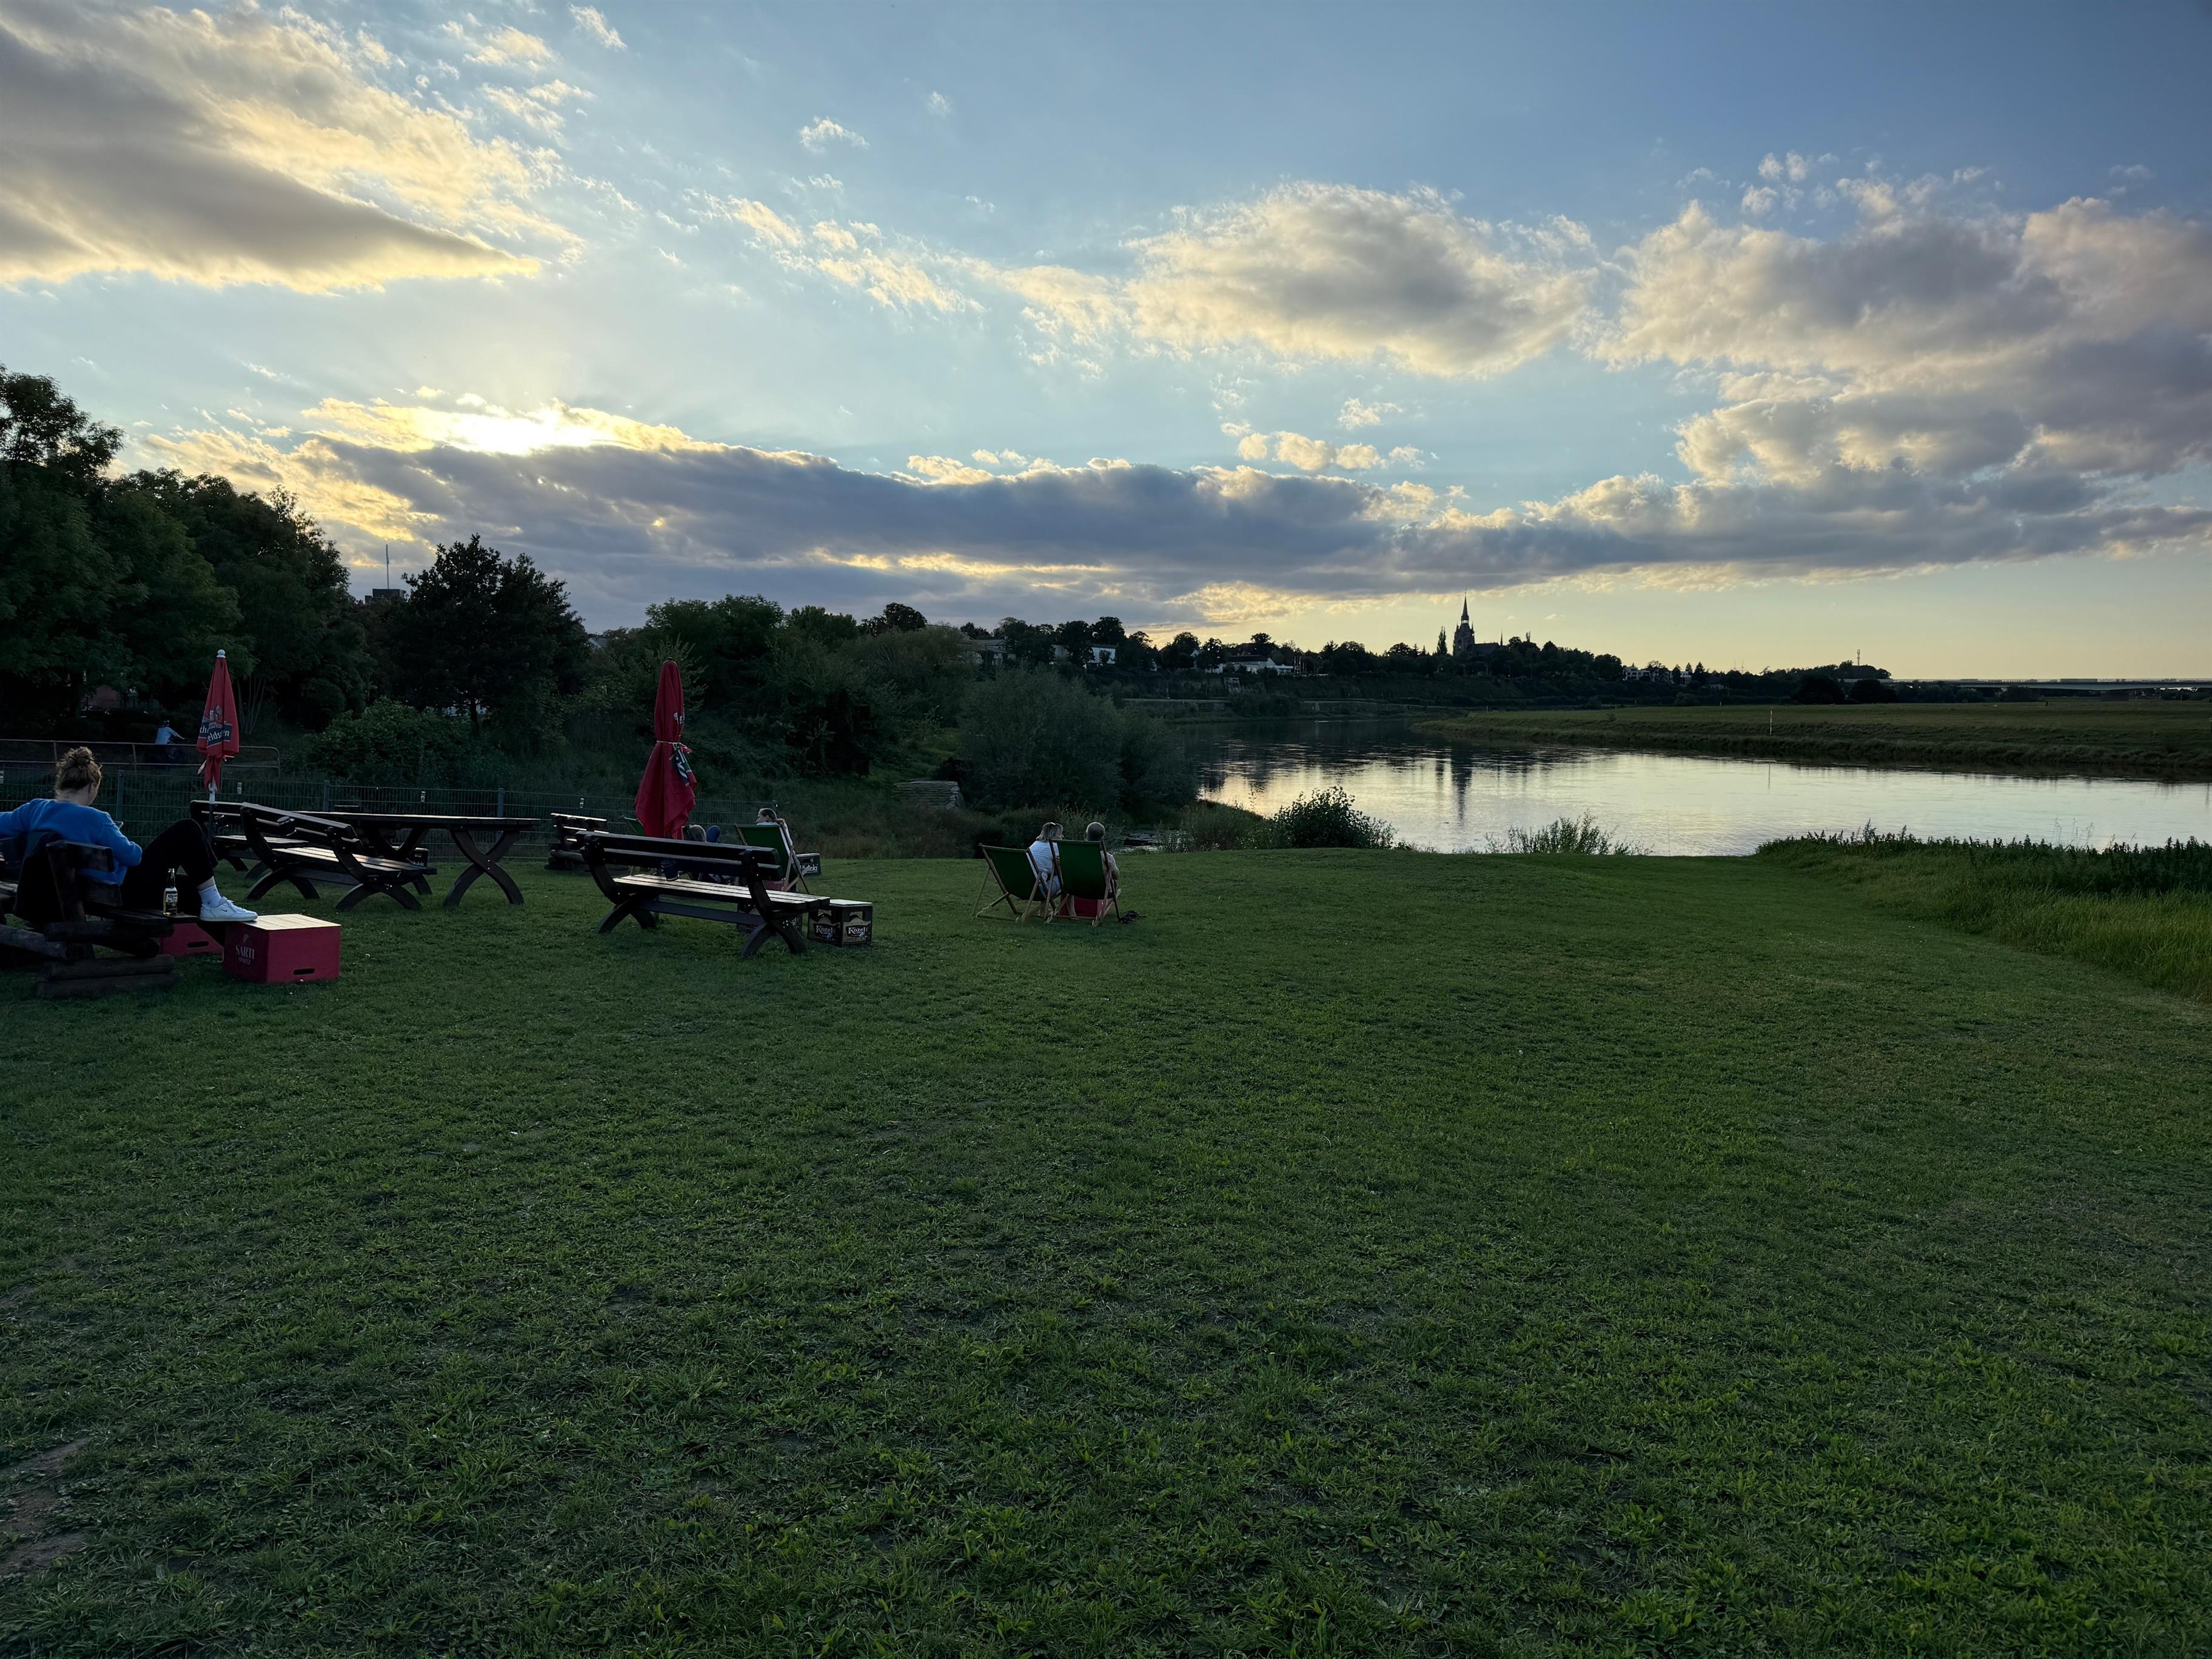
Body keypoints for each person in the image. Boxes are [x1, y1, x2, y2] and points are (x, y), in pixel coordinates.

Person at [0, 748, 257, 925]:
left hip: (86, 890)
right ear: (92, 786)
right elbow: (134, 857)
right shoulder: (96, 819)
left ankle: (219, 919)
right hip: (120, 891)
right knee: (187, 829)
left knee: (188, 888)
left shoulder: (35, 809)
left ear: (62, 784)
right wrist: (122, 836)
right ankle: (215, 904)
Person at [1027, 820, 1063, 901]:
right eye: (1060, 834)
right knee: (1066, 881)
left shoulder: (1035, 845)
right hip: (1040, 890)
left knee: (1046, 876)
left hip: (1025, 887)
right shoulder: (1054, 846)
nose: (1062, 836)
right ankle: (1070, 909)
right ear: (1053, 835)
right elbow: (1061, 871)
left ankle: (1043, 908)